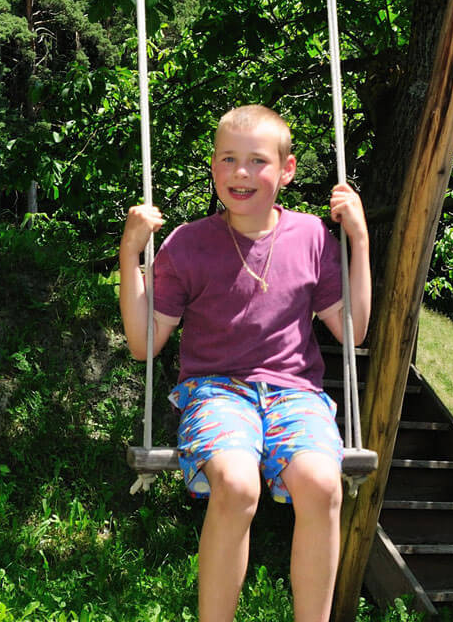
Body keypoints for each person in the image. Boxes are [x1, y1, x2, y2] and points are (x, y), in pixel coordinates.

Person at [120, 104, 372, 622]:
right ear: (213, 168)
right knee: (236, 484)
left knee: (324, 484)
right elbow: (145, 344)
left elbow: (352, 331)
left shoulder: (311, 238)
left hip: (295, 394)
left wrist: (360, 242)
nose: (240, 172)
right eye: (228, 160)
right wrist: (130, 254)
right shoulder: (188, 244)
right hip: (215, 392)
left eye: (257, 161)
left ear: (286, 170)